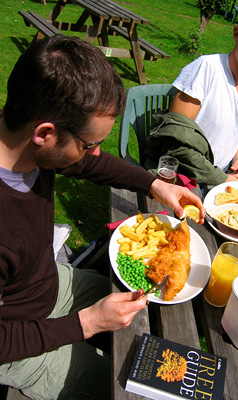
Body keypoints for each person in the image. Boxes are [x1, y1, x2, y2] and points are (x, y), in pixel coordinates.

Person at [0, 35, 204, 399]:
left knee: (153, 326)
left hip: (47, 285)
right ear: (45, 134)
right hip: (17, 340)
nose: (94, 153)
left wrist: (157, 186)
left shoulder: (19, 138)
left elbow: (91, 165)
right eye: (89, 143)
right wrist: (89, 323)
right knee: (129, 388)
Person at [145, 3, 238, 187]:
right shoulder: (207, 69)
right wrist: (219, 179)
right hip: (180, 178)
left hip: (219, 179)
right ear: (237, 33)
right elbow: (175, 143)